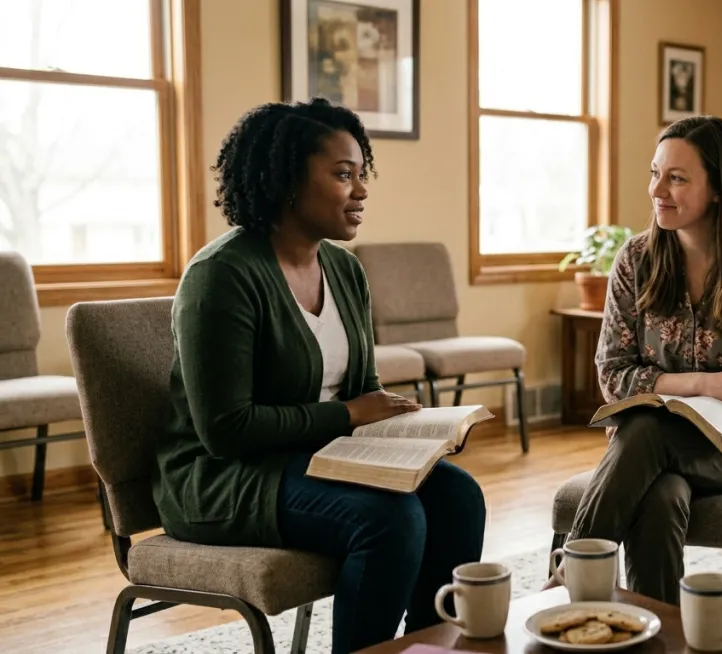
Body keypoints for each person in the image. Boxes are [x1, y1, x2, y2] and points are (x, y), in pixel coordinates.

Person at [153, 98, 486, 654]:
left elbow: (363, 391)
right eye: (342, 174)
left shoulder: (344, 269)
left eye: (361, 174)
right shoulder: (222, 276)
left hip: (323, 457)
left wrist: (414, 432)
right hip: (225, 478)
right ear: (286, 179)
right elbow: (225, 431)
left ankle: (424, 647)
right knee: (390, 518)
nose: (361, 191)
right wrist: (350, 414)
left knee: (459, 496)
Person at [562, 115, 722, 604]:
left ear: (719, 189)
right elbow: (613, 376)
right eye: (655, 173)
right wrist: (704, 384)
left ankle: (570, 573)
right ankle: (659, 631)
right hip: (649, 447)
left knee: (648, 429)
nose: (657, 190)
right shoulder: (636, 259)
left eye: (677, 178)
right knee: (660, 493)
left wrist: (661, 390)